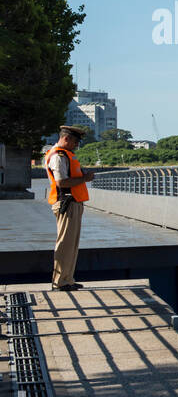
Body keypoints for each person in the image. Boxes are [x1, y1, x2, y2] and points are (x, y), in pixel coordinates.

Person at [44, 125, 95, 291]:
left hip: (73, 203)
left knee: (71, 244)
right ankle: (60, 281)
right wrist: (85, 178)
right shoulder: (58, 156)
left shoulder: (64, 155)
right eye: (75, 142)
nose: (76, 146)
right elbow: (61, 182)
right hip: (67, 203)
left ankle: (67, 279)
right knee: (65, 244)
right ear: (66, 138)